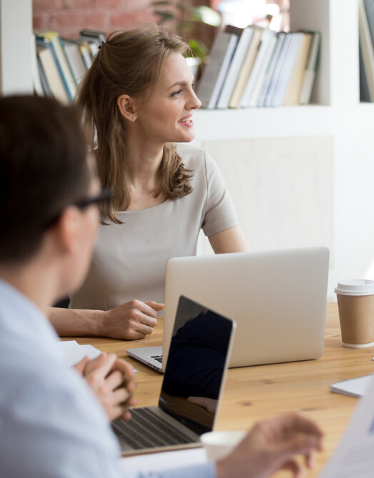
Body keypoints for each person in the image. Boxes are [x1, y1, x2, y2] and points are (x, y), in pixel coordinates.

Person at [0, 94, 322, 478]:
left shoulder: (41, 381)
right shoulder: (43, 396)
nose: (194, 101)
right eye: (95, 200)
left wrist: (226, 469)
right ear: (70, 228)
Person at [47, 24, 250, 340]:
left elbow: (248, 279)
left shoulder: (201, 170)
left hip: (177, 355)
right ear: (129, 107)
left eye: (192, 87)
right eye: (177, 91)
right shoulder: (71, 181)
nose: (195, 102)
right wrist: (101, 322)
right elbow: (13, 307)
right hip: (99, 364)